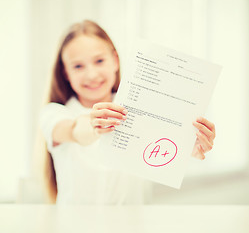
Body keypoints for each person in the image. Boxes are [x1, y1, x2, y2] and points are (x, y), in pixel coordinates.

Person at [39, 20, 216, 205]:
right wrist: (94, 126)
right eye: (78, 66)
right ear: (65, 73)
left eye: (99, 61)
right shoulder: (53, 114)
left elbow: (161, 153)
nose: (91, 74)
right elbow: (73, 130)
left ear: (115, 61)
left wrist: (188, 145)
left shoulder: (145, 108)